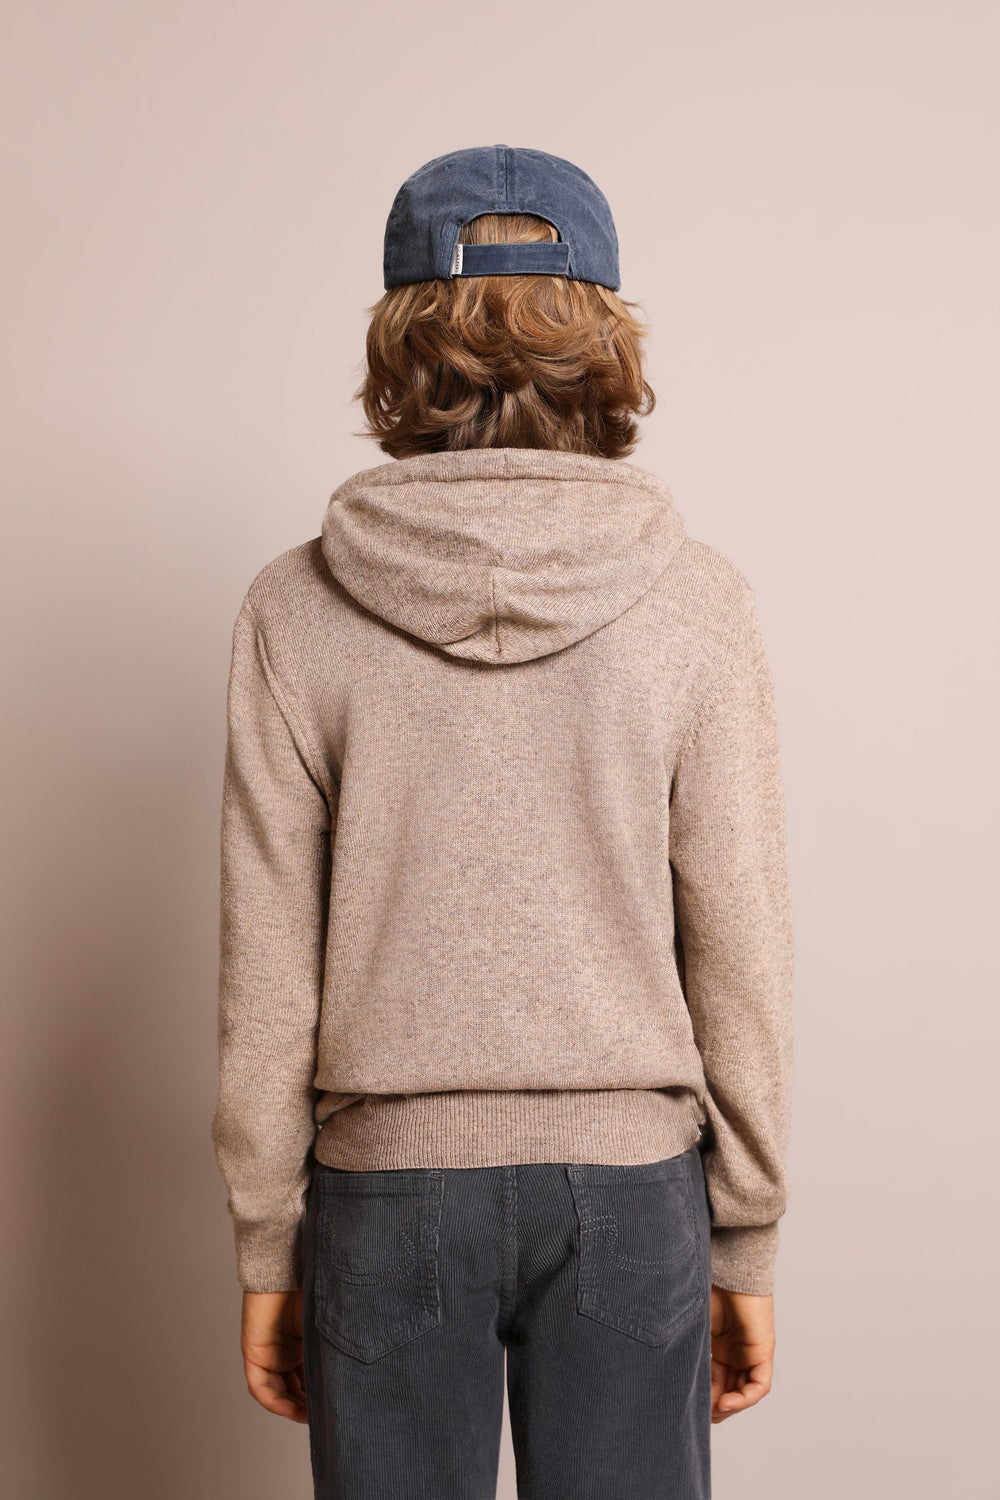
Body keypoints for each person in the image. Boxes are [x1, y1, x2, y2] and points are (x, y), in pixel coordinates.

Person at [211, 144, 795, 1499]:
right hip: (630, 1192)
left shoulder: (294, 607)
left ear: (400, 341)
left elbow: (267, 966)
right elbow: (742, 945)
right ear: (604, 336)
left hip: (384, 1193)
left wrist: (266, 1244)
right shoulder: (697, 601)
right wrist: (748, 1234)